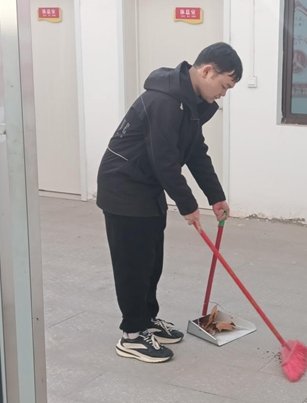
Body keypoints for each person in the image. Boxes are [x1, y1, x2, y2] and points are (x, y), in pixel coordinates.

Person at [96, 42, 243, 363]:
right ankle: (132, 335)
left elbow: (194, 152)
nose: (223, 94)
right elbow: (163, 159)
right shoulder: (164, 101)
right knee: (133, 264)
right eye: (224, 85)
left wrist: (215, 197)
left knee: (151, 262)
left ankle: (147, 319)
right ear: (207, 71)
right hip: (123, 186)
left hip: (147, 186)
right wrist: (188, 205)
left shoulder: (188, 103)